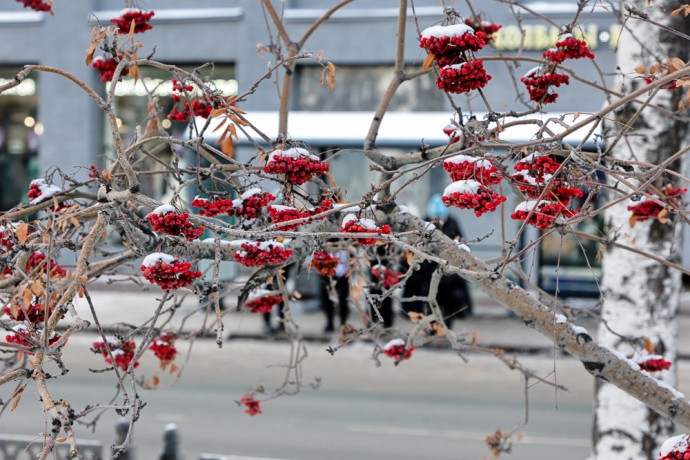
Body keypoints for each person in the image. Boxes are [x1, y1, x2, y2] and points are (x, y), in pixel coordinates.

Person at [401, 194, 473, 328]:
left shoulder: (452, 223)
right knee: (431, 302)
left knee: (447, 303)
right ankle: (433, 328)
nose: (440, 220)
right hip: (429, 273)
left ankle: (445, 326)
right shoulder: (424, 225)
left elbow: (462, 244)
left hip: (448, 273)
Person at [321, 250, 350, 333]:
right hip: (327, 270)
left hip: (344, 270)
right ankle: (330, 322)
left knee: (344, 298)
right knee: (327, 298)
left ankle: (343, 323)